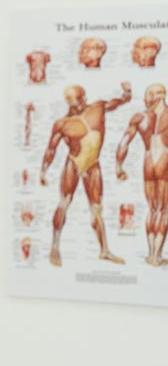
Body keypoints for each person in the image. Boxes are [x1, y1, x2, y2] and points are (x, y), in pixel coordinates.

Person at [42, 82, 133, 266]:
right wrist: (44, 171)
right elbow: (51, 149)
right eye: (71, 103)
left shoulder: (98, 108)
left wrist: (127, 92)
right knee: (64, 203)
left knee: (97, 209)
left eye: (77, 100)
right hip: (74, 164)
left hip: (93, 165)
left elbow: (120, 102)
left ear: (84, 96)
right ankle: (54, 246)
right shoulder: (63, 124)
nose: (76, 105)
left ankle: (104, 250)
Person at [117, 83, 168, 266]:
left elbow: (123, 143)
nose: (144, 100)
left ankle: (150, 254)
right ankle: (157, 255)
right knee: (163, 210)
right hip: (164, 158)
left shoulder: (139, 118)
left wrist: (118, 166)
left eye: (147, 95)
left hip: (148, 161)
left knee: (152, 209)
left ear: (157, 96)